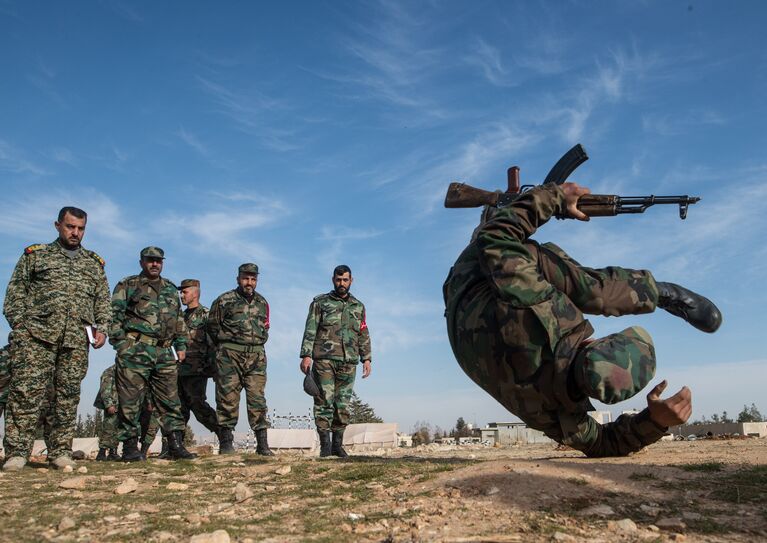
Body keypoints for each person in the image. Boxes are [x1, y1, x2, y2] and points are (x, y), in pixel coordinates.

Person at [443, 181, 722, 457]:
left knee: (589, 290)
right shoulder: (556, 413)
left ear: (594, 343)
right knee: (544, 276)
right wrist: (656, 421)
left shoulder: (532, 306)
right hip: (464, 328)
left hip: (469, 281)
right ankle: (661, 294)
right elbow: (604, 443)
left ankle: (661, 293)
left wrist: (554, 196)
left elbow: (494, 237)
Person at [2, 206, 111, 471]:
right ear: (57, 225)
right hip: (36, 337)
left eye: (81, 228)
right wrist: (20, 326)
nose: (75, 233)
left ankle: (60, 451)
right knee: (26, 393)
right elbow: (15, 293)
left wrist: (103, 328)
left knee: (67, 396)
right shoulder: (36, 256)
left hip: (75, 340)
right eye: (70, 227)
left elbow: (102, 300)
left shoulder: (93, 264)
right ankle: (17, 452)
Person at [108, 246, 195, 461]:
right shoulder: (128, 284)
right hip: (135, 350)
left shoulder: (169, 289)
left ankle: (175, 444)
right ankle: (129, 447)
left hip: (164, 351)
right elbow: (113, 316)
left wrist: (182, 344)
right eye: (150, 260)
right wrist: (121, 344)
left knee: (170, 399)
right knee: (131, 400)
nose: (154, 264)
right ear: (141, 262)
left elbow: (178, 320)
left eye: (158, 261)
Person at [300, 265, 372, 458]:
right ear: (333, 280)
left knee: (342, 405)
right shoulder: (320, 302)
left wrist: (366, 358)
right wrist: (306, 355)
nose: (342, 283)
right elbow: (311, 328)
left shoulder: (358, 306)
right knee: (324, 402)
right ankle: (325, 446)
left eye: (345, 280)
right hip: (324, 360)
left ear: (351, 281)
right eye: (339, 280)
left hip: (349, 361)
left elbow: (363, 332)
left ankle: (337, 446)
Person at [207, 263, 273, 456]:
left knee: (257, 399)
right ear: (238, 279)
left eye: (253, 279)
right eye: (245, 278)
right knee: (227, 398)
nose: (249, 283)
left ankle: (262, 445)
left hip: (256, 356)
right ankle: (226, 443)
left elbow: (265, 328)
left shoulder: (262, 302)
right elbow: (211, 327)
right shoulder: (224, 300)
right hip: (229, 356)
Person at [177, 279, 223, 443]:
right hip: (178, 369)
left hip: (197, 369)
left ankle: (223, 433)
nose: (181, 295)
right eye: (181, 292)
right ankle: (174, 445)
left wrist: (215, 368)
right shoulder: (180, 317)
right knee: (177, 408)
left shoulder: (206, 315)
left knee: (198, 406)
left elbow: (214, 343)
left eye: (185, 291)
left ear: (196, 292)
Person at [94, 364, 121, 461]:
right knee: (108, 429)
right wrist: (109, 404)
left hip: (121, 405)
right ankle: (101, 452)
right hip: (113, 404)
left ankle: (113, 452)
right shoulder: (109, 371)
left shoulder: (124, 370)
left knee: (117, 430)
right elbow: (105, 389)